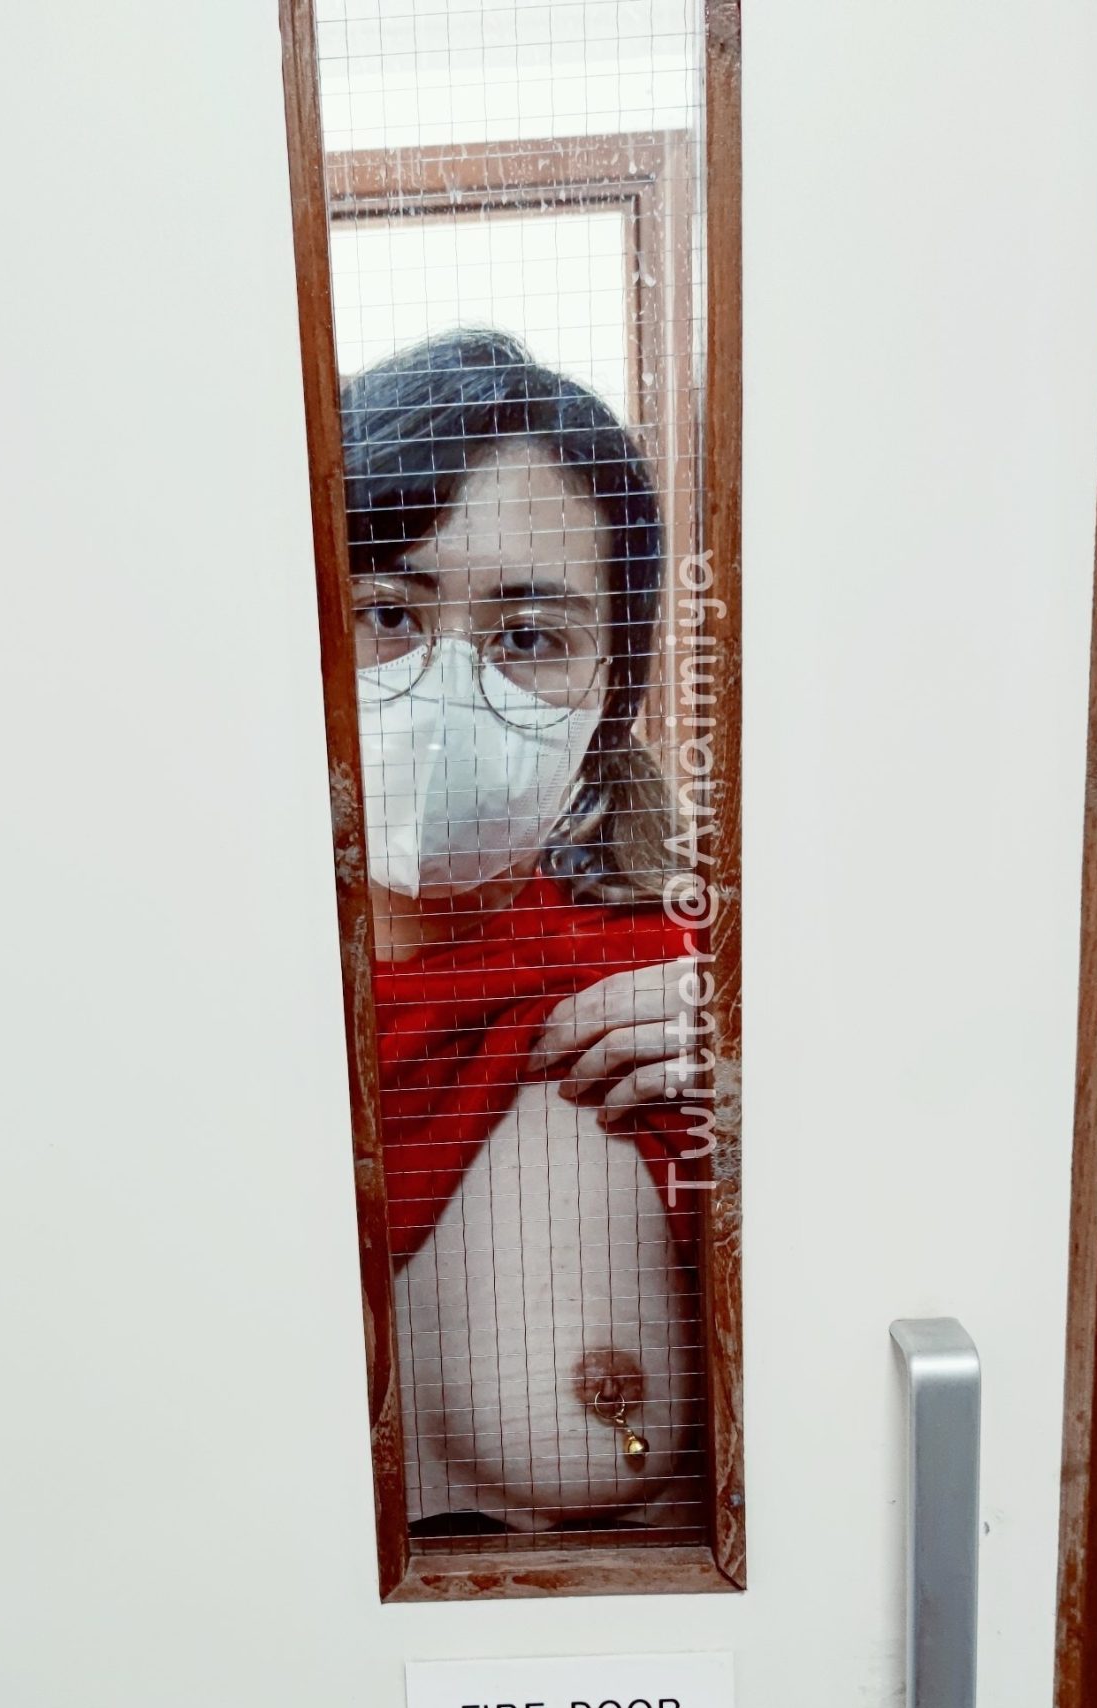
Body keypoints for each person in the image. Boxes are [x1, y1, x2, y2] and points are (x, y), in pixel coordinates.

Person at [344, 329, 714, 1537]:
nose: (446, 691)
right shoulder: (163, 1004)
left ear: (613, 693)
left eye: (528, 636)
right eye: (387, 614)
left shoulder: (674, 1015)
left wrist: (790, 1123)